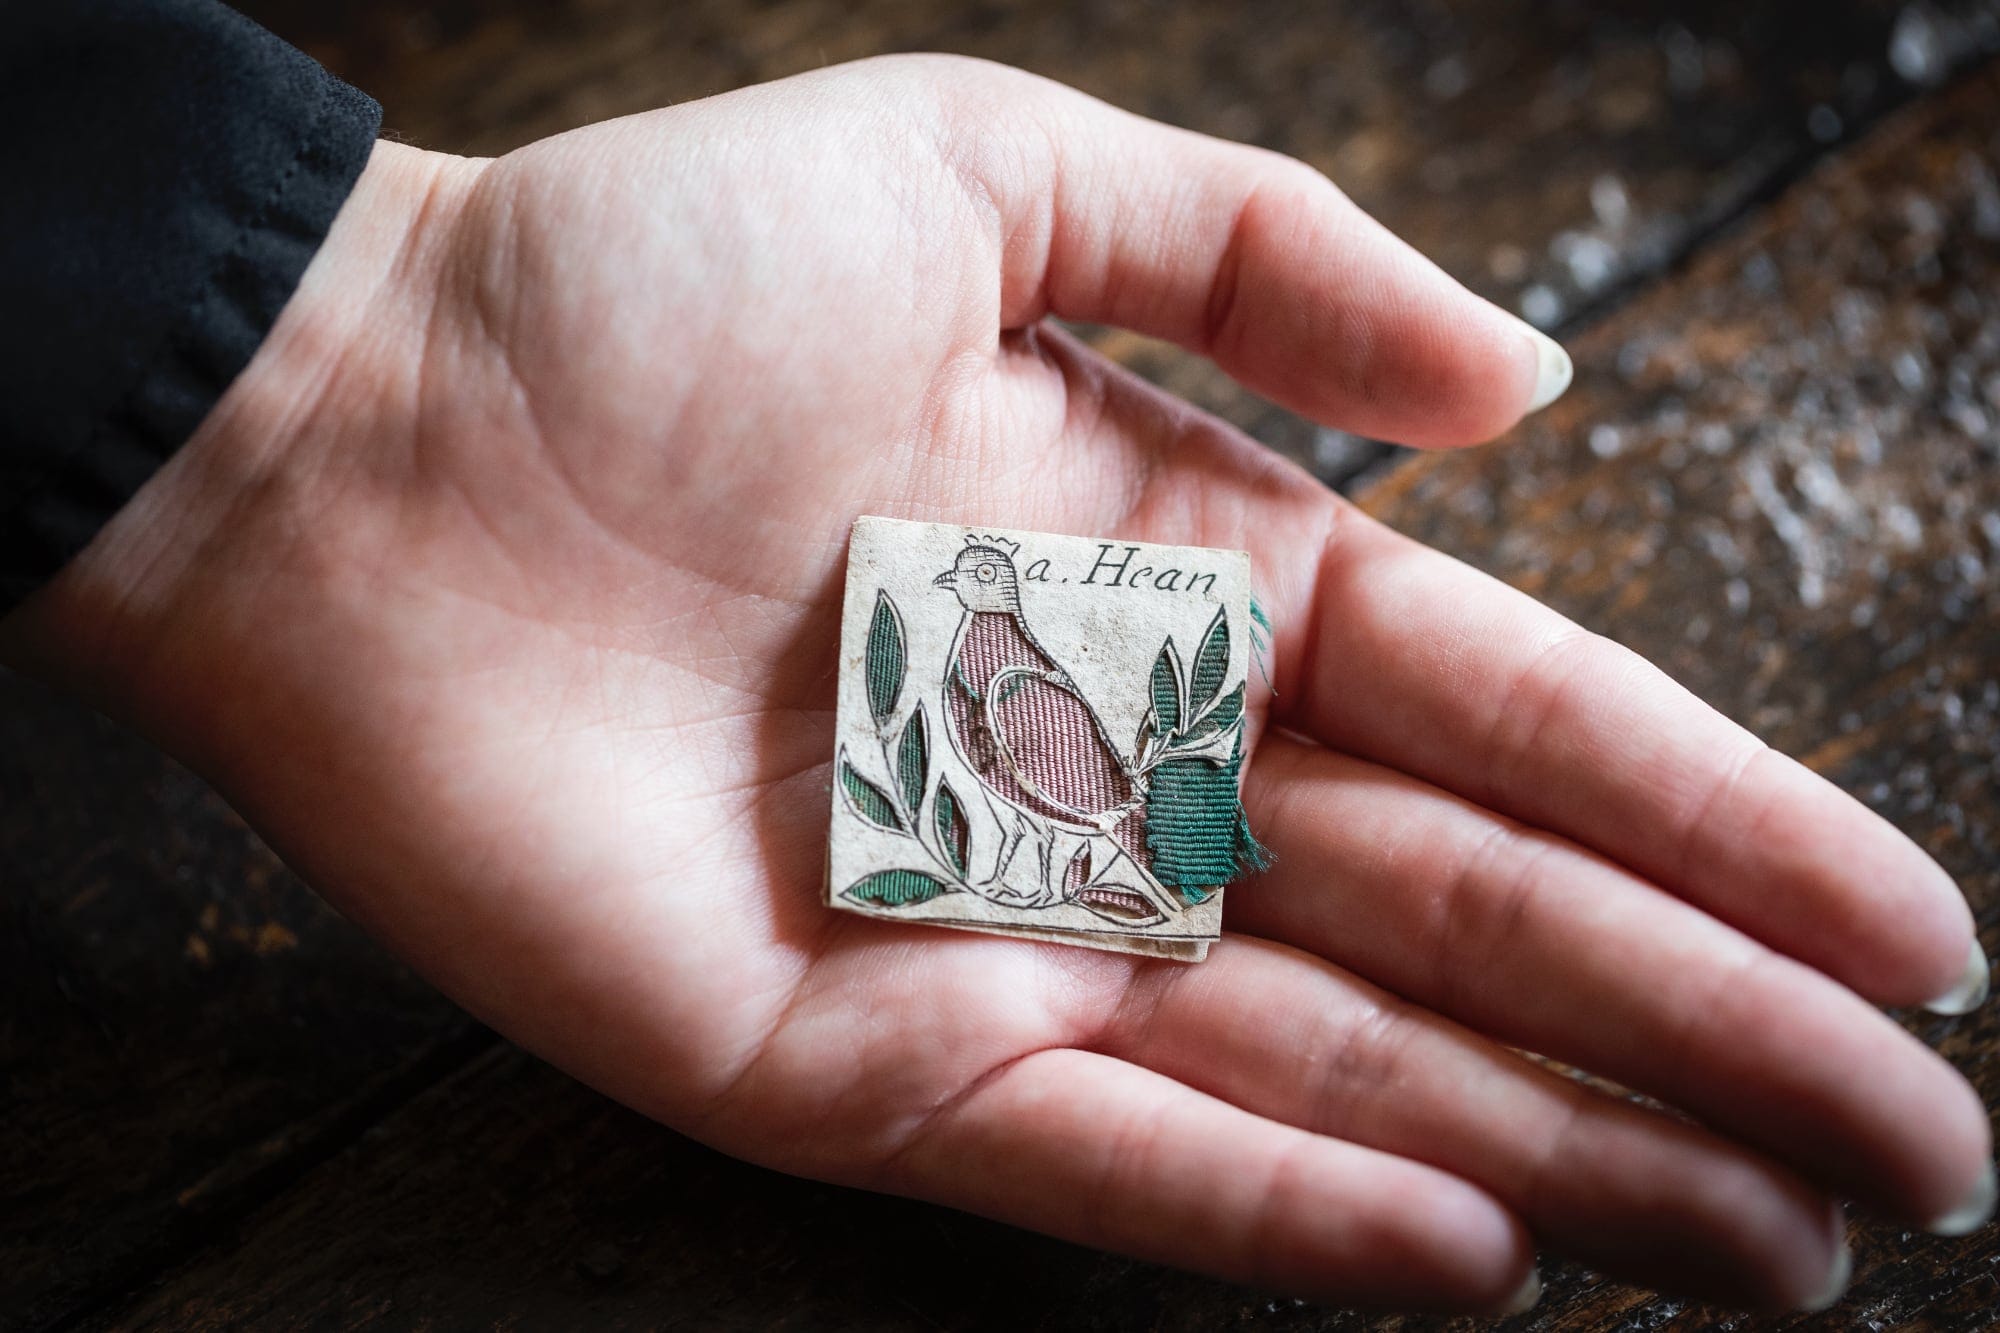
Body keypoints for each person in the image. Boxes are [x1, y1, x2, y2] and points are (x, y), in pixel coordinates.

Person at [1, 1, 1990, 1316]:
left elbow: (1041, 742)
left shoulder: (1028, 693)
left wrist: (280, 332)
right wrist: (295, 364)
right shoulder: (985, 684)